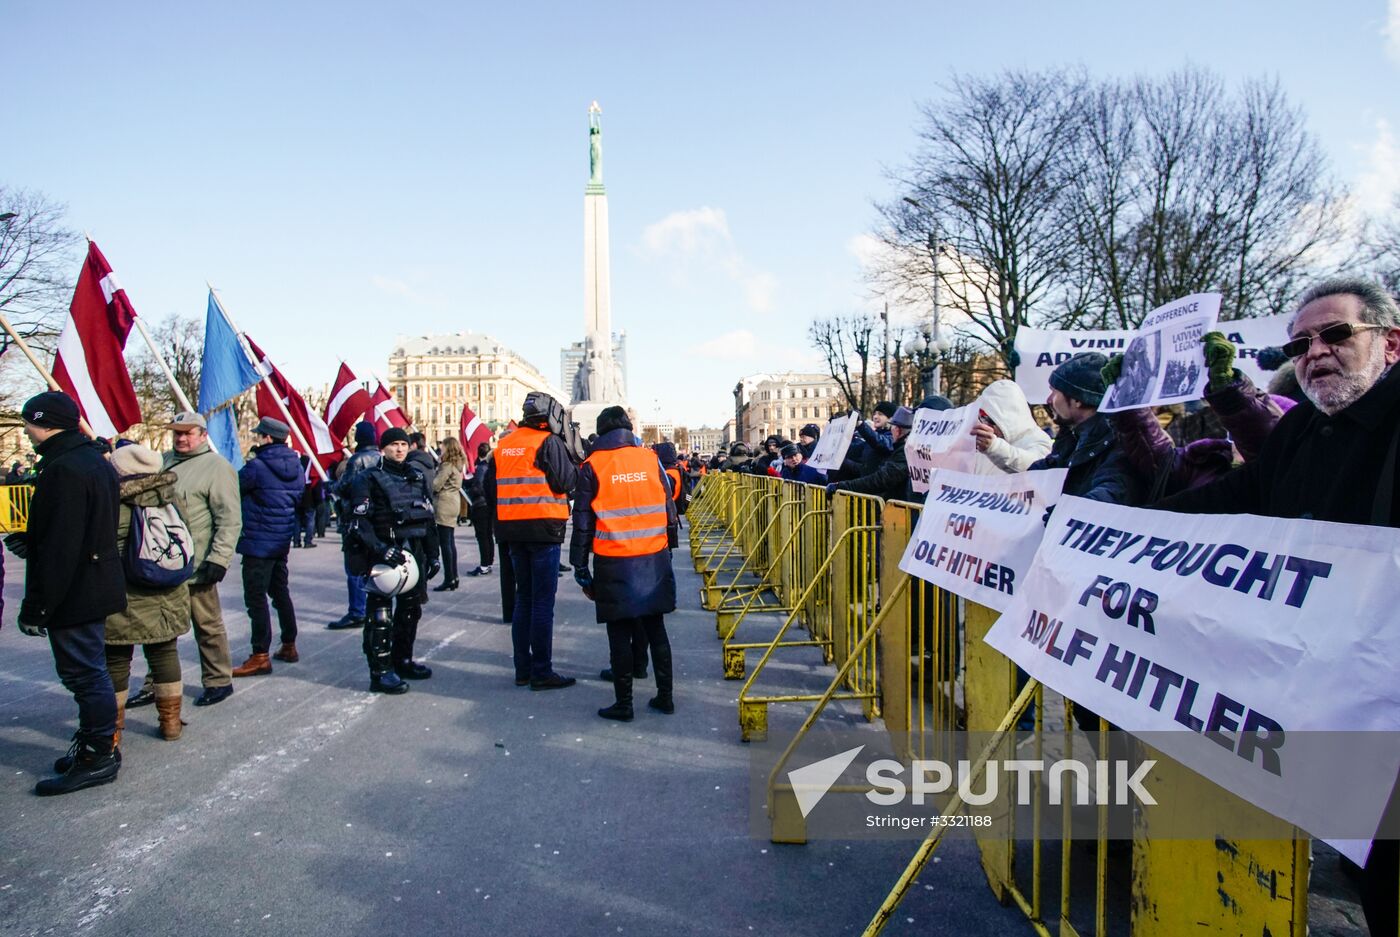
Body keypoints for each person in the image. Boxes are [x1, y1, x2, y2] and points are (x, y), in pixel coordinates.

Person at [1153, 278, 1400, 936]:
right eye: (1302, 341)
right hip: (1338, 691)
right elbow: (1238, 494)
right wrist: (1120, 528)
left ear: (1391, 343)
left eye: (1337, 334)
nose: (1316, 350)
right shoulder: (1301, 433)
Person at [5, 391, 125, 795]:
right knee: (91, 672)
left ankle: (97, 756)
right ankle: (97, 746)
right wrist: (33, 538)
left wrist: (35, 608)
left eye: (29, 423)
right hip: (93, 580)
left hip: (76, 588)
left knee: (85, 675)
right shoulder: (91, 460)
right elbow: (76, 528)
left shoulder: (64, 468)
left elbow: (62, 547)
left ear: (44, 422)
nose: (26, 431)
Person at [570, 407, 678, 721]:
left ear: (602, 432)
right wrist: (669, 548)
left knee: (618, 632)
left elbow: (583, 523)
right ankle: (665, 697)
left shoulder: (593, 465)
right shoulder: (649, 459)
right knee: (656, 630)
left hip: (613, 560)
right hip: (653, 557)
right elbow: (668, 506)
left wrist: (580, 567)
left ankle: (624, 703)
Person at [130, 412, 241, 710]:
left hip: (198, 563)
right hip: (161, 564)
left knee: (207, 625)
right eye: (176, 433)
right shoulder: (163, 461)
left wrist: (219, 558)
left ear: (203, 435)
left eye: (187, 433)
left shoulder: (217, 467)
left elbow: (229, 519)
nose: (181, 438)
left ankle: (218, 680)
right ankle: (157, 684)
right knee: (158, 629)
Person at [1100, 332, 1289, 498]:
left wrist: (1230, 394)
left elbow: (1268, 445)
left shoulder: (1283, 479)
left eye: (1244, 428)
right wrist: (1128, 404)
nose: (1239, 438)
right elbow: (1159, 463)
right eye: (1233, 430)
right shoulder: (1207, 461)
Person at [488, 392, 578, 689]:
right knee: (542, 603)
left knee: (523, 599)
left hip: (512, 530)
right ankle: (542, 670)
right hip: (543, 528)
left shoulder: (505, 444)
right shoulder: (548, 442)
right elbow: (566, 482)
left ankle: (522, 669)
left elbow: (492, 489)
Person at [341, 426, 441, 693]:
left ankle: (403, 659)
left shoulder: (417, 476)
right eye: (393, 444)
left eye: (403, 444)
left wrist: (434, 555)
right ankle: (381, 670)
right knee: (380, 615)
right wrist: (380, 549)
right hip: (382, 553)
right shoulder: (367, 478)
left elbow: (428, 518)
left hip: (413, 551)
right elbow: (359, 521)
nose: (399, 449)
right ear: (382, 448)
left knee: (410, 611)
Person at [103, 444, 193, 742]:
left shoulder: (113, 501)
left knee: (116, 658)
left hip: (123, 595)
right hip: (168, 590)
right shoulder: (171, 496)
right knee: (165, 653)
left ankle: (113, 731)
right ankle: (171, 723)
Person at [232, 417, 304, 677]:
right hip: (280, 539)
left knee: (255, 598)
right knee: (280, 593)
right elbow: (298, 497)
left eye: (260, 435)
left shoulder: (257, 466)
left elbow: (234, 488)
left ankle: (260, 654)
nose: (257, 439)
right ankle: (289, 643)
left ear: (268, 438)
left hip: (257, 540)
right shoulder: (296, 464)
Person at [1026, 353, 1144, 505]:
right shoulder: (1071, 437)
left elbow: (1113, 491)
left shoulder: (1121, 442)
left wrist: (1069, 512)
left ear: (1077, 400)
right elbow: (1051, 468)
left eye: (1054, 392)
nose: (1049, 400)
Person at [328, 421, 381, 630]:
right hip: (375, 517)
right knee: (373, 565)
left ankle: (357, 611)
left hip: (354, 518)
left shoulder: (356, 460)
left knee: (355, 567)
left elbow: (345, 486)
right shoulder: (380, 458)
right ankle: (374, 608)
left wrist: (331, 485)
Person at [826, 406, 914, 501]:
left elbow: (881, 479)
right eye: (875, 413)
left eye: (880, 414)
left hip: (889, 504)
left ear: (897, 430)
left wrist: (842, 486)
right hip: (875, 499)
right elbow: (857, 455)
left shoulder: (902, 450)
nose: (875, 417)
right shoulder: (900, 447)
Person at [971, 380, 1053, 474]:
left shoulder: (1039, 439)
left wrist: (993, 447)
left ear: (1008, 417)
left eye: (990, 420)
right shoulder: (984, 444)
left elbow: (1034, 468)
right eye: (981, 418)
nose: (986, 425)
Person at [431, 437, 466, 591]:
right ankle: (454, 576)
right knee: (450, 542)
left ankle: (449, 578)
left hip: (444, 503)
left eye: (443, 446)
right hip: (454, 502)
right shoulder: (458, 464)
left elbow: (436, 485)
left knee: (445, 543)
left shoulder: (446, 465)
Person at [465, 442, 496, 577]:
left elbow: (478, 487)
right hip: (488, 505)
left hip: (481, 505)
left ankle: (484, 564)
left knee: (483, 536)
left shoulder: (481, 468)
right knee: (488, 535)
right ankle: (488, 563)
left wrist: (469, 488)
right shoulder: (491, 466)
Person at [293, 455, 320, 548]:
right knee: (310, 519)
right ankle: (308, 541)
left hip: (297, 494)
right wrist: (318, 499)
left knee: (297, 519)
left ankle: (296, 541)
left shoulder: (296, 465)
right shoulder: (313, 465)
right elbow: (316, 483)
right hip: (309, 495)